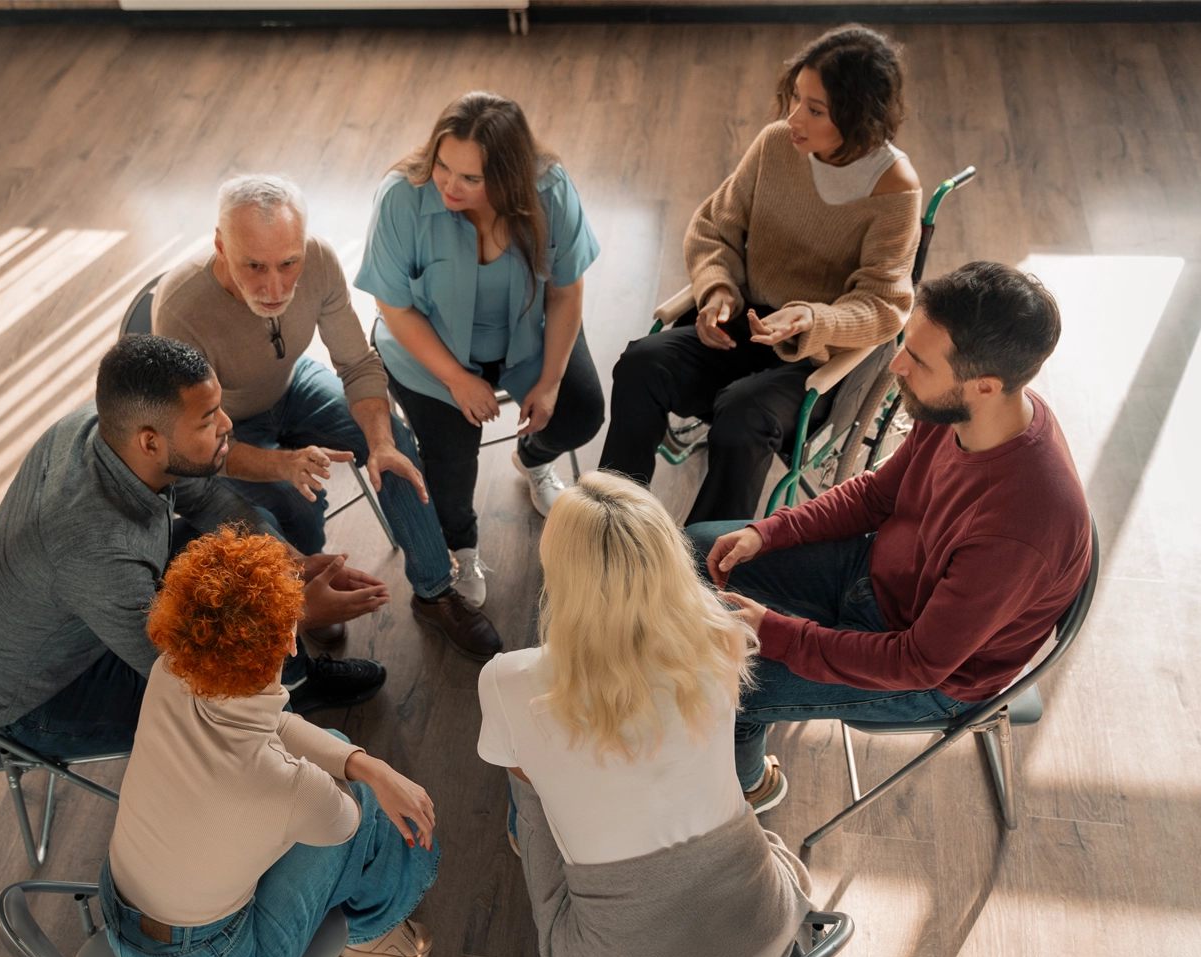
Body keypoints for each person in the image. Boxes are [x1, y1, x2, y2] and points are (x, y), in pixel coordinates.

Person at [690, 262, 1091, 812]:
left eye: (918, 360)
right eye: (908, 345)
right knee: (692, 548)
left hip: (928, 674)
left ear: (985, 385)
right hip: (877, 574)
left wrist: (776, 633)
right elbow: (878, 496)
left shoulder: (1024, 526)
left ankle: (751, 783)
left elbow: (917, 663)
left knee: (724, 682)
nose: (896, 364)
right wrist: (769, 531)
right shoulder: (954, 408)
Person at [0, 335, 389, 759]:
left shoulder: (110, 426)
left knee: (247, 559)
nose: (227, 425)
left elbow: (207, 497)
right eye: (208, 419)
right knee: (235, 712)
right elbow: (185, 672)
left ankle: (296, 684)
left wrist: (293, 564)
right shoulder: (97, 549)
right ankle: (293, 764)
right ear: (150, 442)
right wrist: (296, 614)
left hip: (84, 619)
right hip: (45, 698)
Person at [477, 472, 812, 957]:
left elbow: (525, 771)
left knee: (525, 779)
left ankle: (526, 842)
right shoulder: (723, 634)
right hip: (766, 939)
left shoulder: (506, 679)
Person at [152, 174, 500, 660]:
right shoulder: (180, 309)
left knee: (392, 441)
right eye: (254, 265)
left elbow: (357, 364)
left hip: (292, 385)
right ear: (220, 245)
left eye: (288, 262)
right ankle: (308, 600)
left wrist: (378, 442)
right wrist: (282, 464)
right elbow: (197, 444)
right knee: (295, 500)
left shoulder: (319, 260)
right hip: (224, 421)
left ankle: (435, 591)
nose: (274, 287)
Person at [600, 25, 922, 523]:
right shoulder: (776, 144)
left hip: (815, 356)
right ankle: (612, 523)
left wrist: (810, 319)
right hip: (745, 322)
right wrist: (717, 290)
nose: (794, 118)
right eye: (796, 97)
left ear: (860, 117)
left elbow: (884, 306)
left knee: (742, 415)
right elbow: (714, 227)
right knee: (641, 363)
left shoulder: (894, 189)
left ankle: (703, 571)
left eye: (815, 110)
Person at [102, 527, 440, 957]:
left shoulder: (173, 670)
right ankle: (375, 942)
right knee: (379, 810)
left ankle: (363, 938)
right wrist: (376, 779)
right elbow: (342, 823)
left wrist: (368, 764)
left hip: (122, 909)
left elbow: (270, 722)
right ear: (288, 644)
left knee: (341, 749)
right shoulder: (282, 787)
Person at [355, 91, 605, 608]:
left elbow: (565, 291)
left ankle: (532, 460)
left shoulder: (551, 190)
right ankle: (460, 547)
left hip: (527, 336)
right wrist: (455, 378)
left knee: (581, 413)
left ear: (511, 177)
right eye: (444, 165)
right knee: (450, 465)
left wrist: (552, 381)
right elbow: (394, 306)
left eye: (471, 178)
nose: (449, 185)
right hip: (429, 352)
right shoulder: (402, 195)